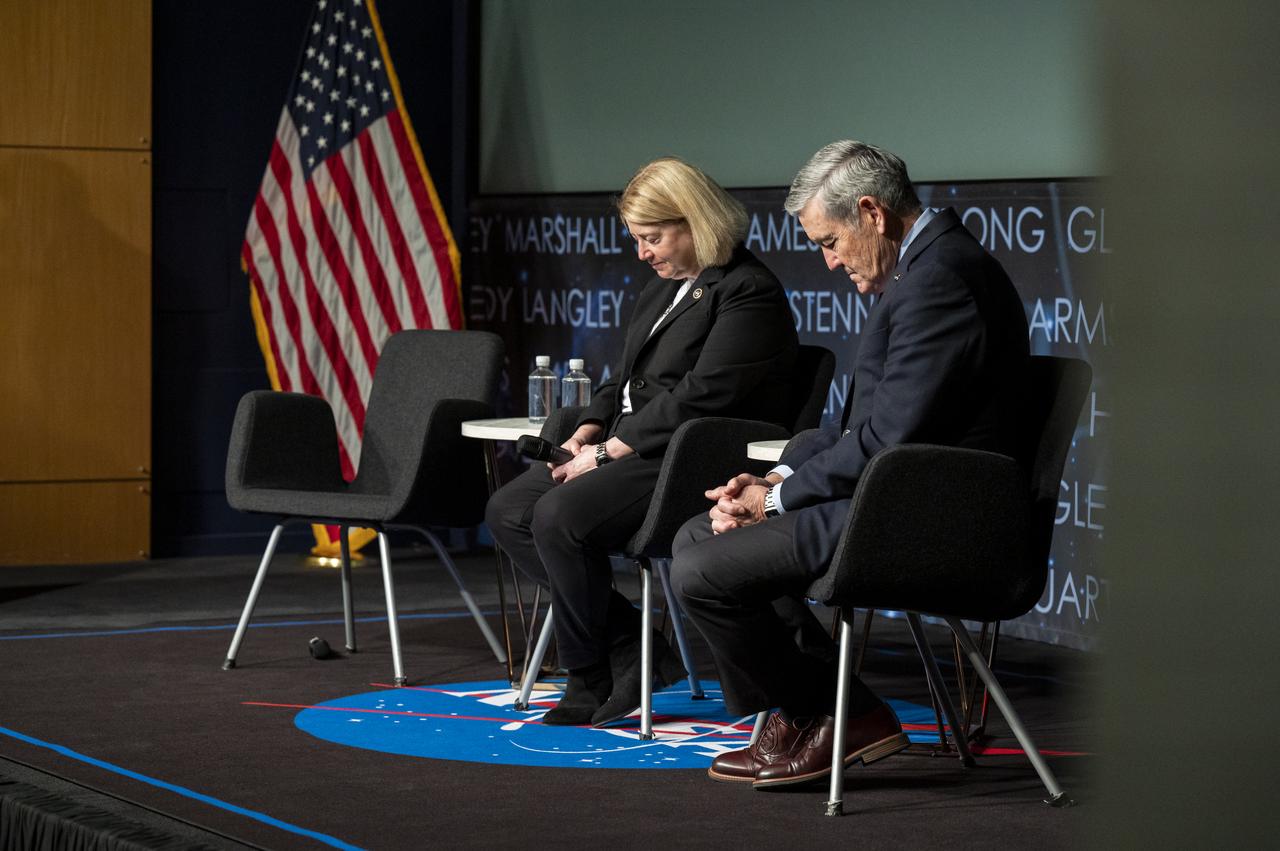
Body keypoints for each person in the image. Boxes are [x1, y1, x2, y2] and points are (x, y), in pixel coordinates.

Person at [670, 140, 1030, 788]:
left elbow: (888, 437)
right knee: (702, 534)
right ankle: (813, 714)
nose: (830, 261)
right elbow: (850, 429)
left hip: (925, 515)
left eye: (830, 241)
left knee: (703, 564)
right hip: (889, 496)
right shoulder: (924, 271)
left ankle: (843, 712)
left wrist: (776, 503)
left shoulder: (941, 279)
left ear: (871, 212)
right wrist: (774, 479)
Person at [485, 157, 798, 727]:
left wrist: (607, 453)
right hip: (631, 447)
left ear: (696, 221)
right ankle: (630, 642)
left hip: (688, 457)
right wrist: (587, 430)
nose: (643, 253)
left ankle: (588, 674)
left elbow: (702, 397)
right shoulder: (662, 289)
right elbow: (622, 381)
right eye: (636, 239)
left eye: (652, 238)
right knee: (508, 510)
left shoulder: (748, 291)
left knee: (557, 516)